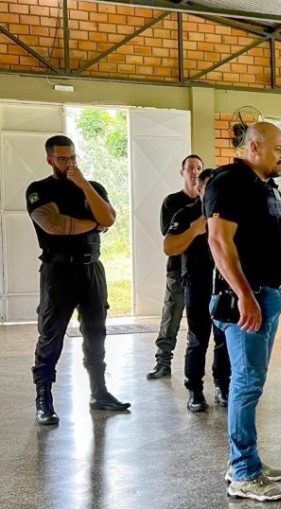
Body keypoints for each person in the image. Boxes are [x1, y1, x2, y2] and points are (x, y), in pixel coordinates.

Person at [205, 122, 281, 501]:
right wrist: (244, 295)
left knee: (252, 383)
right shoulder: (228, 182)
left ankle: (246, 461)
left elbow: (279, 240)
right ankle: (244, 472)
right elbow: (218, 241)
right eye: (279, 148)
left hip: (270, 293)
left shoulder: (266, 187)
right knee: (245, 385)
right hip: (246, 301)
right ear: (255, 147)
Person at [26, 135, 130, 425]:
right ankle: (44, 399)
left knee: (96, 333)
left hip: (92, 269)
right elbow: (54, 225)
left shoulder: (92, 187)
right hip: (58, 272)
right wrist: (93, 224)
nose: (68, 163)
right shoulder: (39, 189)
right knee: (51, 335)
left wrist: (83, 185)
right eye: (62, 159)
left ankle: (99, 393)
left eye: (72, 157)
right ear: (50, 159)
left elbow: (108, 218)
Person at [163, 168, 230, 412]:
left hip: (225, 285)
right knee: (198, 339)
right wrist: (194, 230)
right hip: (197, 284)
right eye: (209, 188)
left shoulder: (229, 213)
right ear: (200, 190)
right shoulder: (187, 213)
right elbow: (169, 247)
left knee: (223, 338)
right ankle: (195, 391)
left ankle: (223, 386)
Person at [145, 155, 204, 380]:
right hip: (177, 269)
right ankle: (162, 362)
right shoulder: (172, 202)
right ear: (182, 172)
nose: (194, 172)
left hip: (201, 270)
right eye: (190, 168)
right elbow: (169, 235)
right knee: (171, 316)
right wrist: (193, 229)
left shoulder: (207, 202)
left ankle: (196, 365)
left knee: (200, 322)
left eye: (198, 168)